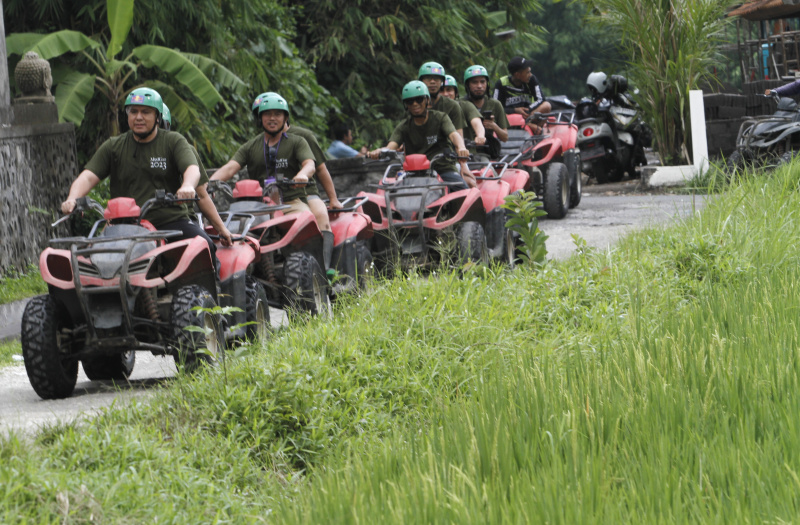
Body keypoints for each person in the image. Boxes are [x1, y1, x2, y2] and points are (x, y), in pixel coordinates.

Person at [61, 87, 232, 262]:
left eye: (146, 112)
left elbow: (192, 169)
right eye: (133, 111)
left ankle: (214, 289)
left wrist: (187, 186)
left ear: (158, 117)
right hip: (123, 226)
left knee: (204, 247)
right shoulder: (114, 146)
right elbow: (88, 176)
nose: (139, 117)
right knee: (90, 262)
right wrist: (73, 198)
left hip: (170, 222)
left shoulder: (173, 141)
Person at [210, 93, 338, 273]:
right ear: (259, 118)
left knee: (310, 221)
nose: (272, 118)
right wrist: (208, 183)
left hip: (291, 201)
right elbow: (230, 168)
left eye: (277, 114)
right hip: (259, 204)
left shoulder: (298, 140)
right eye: (267, 114)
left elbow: (311, 164)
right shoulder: (251, 146)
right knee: (230, 230)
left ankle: (321, 273)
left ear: (285, 117)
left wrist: (302, 175)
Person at [367, 80, 473, 190]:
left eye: (419, 99)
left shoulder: (440, 118)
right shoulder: (404, 126)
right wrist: (379, 151)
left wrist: (461, 147)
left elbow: (454, 135)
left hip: (443, 168)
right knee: (392, 195)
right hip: (414, 173)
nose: (414, 104)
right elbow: (390, 147)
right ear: (406, 104)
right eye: (409, 101)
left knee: (463, 192)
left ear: (427, 100)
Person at [418, 62, 472, 182]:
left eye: (436, 79)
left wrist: (463, 164)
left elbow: (458, 137)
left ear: (441, 81)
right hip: (417, 165)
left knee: (467, 185)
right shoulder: (414, 106)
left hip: (446, 161)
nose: (432, 82)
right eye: (428, 78)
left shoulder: (452, 106)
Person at [463, 65, 509, 145]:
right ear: (468, 85)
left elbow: (505, 138)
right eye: (474, 82)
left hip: (485, 152)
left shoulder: (495, 104)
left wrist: (494, 126)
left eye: (482, 82)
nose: (479, 86)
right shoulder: (460, 104)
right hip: (463, 151)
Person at [442, 75, 486, 149]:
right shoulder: (431, 109)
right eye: (441, 90)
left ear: (456, 93)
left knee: (484, 160)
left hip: (468, 153)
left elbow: (476, 122)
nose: (445, 94)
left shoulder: (465, 105)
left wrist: (480, 136)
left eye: (449, 90)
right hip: (438, 155)